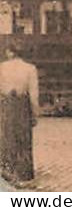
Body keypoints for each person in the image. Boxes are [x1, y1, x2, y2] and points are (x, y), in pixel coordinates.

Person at [0, 46, 40, 186]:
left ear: (10, 52)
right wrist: (35, 113)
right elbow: (33, 94)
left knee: (6, 138)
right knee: (23, 139)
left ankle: (6, 173)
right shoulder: (30, 68)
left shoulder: (2, 67)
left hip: (5, 104)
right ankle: (24, 176)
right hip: (22, 105)